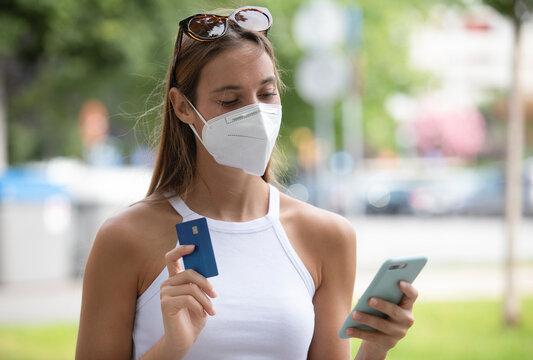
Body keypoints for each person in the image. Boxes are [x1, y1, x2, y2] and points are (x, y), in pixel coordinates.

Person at [75, 6, 418, 360]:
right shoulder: (126, 237)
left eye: (267, 94)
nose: (254, 113)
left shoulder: (328, 236)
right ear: (182, 107)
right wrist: (172, 347)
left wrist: (374, 349)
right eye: (230, 100)